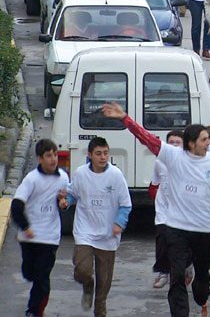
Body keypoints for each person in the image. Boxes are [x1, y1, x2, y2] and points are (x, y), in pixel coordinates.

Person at [101, 103, 210, 317]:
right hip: (176, 229)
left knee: (202, 283)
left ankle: (201, 295)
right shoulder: (173, 156)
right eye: (204, 139)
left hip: (204, 230)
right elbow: (146, 138)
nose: (209, 142)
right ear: (191, 143)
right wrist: (125, 118)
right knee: (176, 278)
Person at [64, 137, 132, 317]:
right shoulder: (80, 173)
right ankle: (87, 285)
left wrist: (119, 223)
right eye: (98, 154)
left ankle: (100, 309)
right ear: (90, 155)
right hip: (85, 231)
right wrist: (66, 202)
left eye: (106, 153)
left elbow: (126, 204)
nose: (103, 157)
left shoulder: (116, 175)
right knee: (82, 269)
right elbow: (73, 194)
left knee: (104, 280)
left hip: (108, 235)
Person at [11, 139, 69, 317]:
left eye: (55, 155)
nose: (53, 160)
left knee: (42, 276)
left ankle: (35, 310)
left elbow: (64, 201)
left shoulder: (64, 178)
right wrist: (25, 227)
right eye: (48, 156)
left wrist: (63, 203)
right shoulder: (32, 179)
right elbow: (16, 206)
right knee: (29, 273)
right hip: (29, 236)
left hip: (50, 236)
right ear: (39, 159)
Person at [148, 130, 186, 290]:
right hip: (164, 211)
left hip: (183, 211)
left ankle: (186, 269)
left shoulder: (189, 162)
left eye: (178, 142)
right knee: (162, 240)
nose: (175, 145)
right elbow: (154, 184)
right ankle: (163, 273)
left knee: (182, 245)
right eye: (171, 142)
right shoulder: (159, 162)